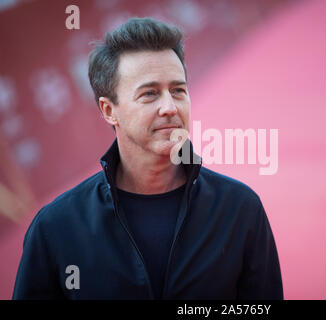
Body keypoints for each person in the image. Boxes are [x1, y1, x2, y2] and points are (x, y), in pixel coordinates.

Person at [12, 17, 283, 300]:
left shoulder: (239, 209)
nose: (169, 107)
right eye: (150, 94)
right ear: (108, 110)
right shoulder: (57, 227)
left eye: (178, 90)